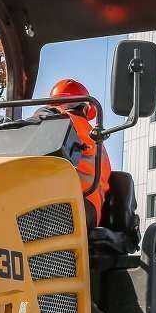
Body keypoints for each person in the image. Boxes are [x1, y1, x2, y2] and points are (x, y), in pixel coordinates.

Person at [40, 78, 111, 228]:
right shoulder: (96, 137)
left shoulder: (60, 121)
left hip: (72, 207)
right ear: (85, 109)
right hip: (89, 209)